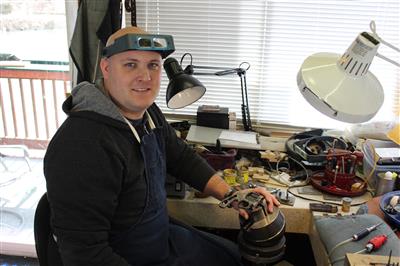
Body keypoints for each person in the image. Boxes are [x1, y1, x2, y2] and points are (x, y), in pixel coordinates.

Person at [44, 26, 279, 266]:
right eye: (130, 64)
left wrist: (232, 195)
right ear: (106, 67)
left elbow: (180, 157)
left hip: (158, 239)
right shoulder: (81, 147)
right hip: (126, 258)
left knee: (230, 256)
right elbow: (85, 256)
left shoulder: (146, 113)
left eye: (153, 65)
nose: (145, 77)